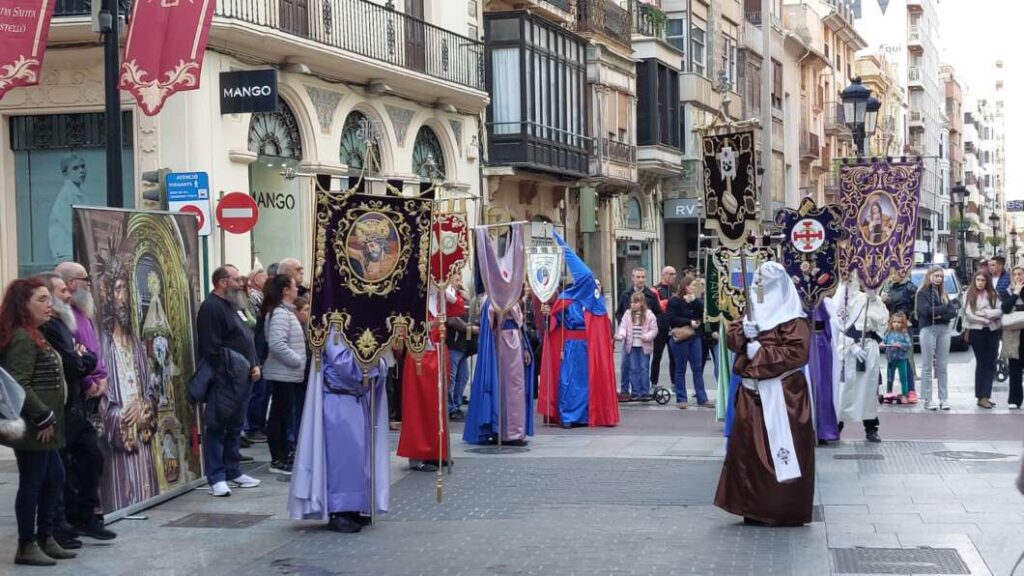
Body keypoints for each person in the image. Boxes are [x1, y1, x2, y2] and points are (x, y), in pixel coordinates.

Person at [714, 262, 814, 527]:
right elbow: (734, 337)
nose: (760, 293)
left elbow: (797, 354)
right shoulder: (752, 312)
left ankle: (780, 508)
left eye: (765, 287)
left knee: (778, 453)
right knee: (748, 452)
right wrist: (741, 336)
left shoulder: (793, 319)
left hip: (782, 396)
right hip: (751, 395)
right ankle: (752, 506)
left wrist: (759, 351)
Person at [0, 279, 77, 565]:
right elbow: (19, 382)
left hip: (47, 426)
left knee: (53, 477)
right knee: (33, 483)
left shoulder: (36, 333)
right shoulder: (22, 337)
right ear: (24, 304)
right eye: (42, 299)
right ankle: (26, 544)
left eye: (49, 298)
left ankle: (46, 536)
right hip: (35, 427)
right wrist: (42, 415)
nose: (50, 305)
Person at [36, 273, 115, 548]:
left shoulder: (70, 318)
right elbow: (74, 363)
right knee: (59, 471)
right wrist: (83, 360)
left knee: (92, 457)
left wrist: (86, 360)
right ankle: (57, 526)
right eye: (58, 293)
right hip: (59, 408)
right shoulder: (49, 327)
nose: (66, 297)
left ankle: (85, 516)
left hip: (77, 405)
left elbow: (86, 356)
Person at [289, 331, 388, 533]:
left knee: (357, 458)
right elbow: (344, 365)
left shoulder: (356, 326)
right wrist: (373, 362)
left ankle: (354, 507)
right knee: (342, 460)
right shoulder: (334, 329)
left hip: (356, 399)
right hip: (338, 398)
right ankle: (339, 511)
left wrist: (377, 361)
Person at [96, 254, 160, 510]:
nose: (124, 297)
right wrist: (122, 415)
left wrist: (146, 405)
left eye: (126, 289)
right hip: (122, 440)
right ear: (109, 296)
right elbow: (99, 395)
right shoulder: (104, 343)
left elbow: (151, 384)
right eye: (118, 289)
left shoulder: (135, 342)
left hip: (143, 436)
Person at [538, 232, 619, 428]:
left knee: (588, 382)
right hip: (570, 347)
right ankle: (569, 416)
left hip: (588, 348)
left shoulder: (595, 302)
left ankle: (585, 415)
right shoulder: (565, 298)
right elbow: (555, 324)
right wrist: (548, 314)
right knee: (569, 381)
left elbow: (603, 327)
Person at [194, 265, 262, 496]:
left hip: (244, 378)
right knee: (217, 426)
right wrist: (233, 369)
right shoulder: (211, 308)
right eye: (235, 279)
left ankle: (233, 470)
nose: (241, 283)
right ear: (222, 282)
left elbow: (246, 339)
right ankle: (216, 476)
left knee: (235, 427)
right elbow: (211, 348)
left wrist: (254, 366)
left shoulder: (234, 306)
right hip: (225, 379)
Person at [463, 289, 533, 446]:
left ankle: (515, 431)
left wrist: (526, 348)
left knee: (517, 387)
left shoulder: (513, 297)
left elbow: (520, 326)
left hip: (515, 343)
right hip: (501, 342)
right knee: (502, 387)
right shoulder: (491, 299)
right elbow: (489, 322)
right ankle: (501, 431)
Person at [396, 287, 450, 471]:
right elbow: (406, 329)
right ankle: (417, 456)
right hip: (419, 356)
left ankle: (435, 452)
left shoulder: (438, 299)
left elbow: (458, 306)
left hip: (436, 354)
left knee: (435, 406)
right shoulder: (412, 299)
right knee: (418, 406)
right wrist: (433, 325)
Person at [829, 275, 887, 441]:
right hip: (848, 350)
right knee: (845, 388)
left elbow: (882, 321)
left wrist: (874, 300)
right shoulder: (838, 302)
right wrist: (849, 345)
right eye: (848, 281)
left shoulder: (867, 299)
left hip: (868, 346)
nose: (851, 284)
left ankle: (871, 426)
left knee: (868, 389)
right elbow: (834, 328)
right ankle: (836, 425)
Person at [260, 274, 307, 475]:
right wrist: (297, 360)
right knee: (280, 416)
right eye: (294, 286)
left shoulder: (285, 312)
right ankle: (278, 458)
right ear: (285, 290)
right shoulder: (280, 313)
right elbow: (277, 344)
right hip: (283, 373)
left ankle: (285, 454)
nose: (297, 289)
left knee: (285, 414)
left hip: (288, 373)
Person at [614, 268, 661, 400]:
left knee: (644, 367)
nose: (641, 280)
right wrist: (623, 332)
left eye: (643, 277)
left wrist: (651, 332)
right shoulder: (625, 294)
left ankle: (643, 391)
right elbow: (619, 314)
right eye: (638, 277)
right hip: (630, 339)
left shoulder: (651, 295)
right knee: (627, 366)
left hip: (644, 341)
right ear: (633, 278)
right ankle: (627, 391)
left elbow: (658, 314)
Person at [916, 266, 958, 411]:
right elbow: (925, 311)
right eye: (936, 276)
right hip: (928, 329)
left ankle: (943, 398)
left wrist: (940, 314)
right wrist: (943, 310)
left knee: (942, 365)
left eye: (940, 276)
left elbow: (953, 311)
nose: (938, 278)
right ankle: (927, 399)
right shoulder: (922, 293)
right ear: (929, 276)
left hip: (944, 330)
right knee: (927, 365)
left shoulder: (943, 293)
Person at [666, 277, 711, 409]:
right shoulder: (674, 301)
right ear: (685, 286)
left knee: (697, 368)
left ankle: (702, 398)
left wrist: (695, 301)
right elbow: (671, 318)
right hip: (681, 337)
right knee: (680, 368)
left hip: (694, 336)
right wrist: (688, 322)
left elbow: (704, 313)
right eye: (692, 285)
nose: (694, 288)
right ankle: (681, 398)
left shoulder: (696, 301)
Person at [962, 272, 1003, 409]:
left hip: (992, 331)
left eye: (983, 280)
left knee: (991, 362)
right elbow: (969, 314)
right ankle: (981, 396)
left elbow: (1000, 310)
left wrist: (986, 313)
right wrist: (984, 319)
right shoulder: (969, 293)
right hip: (977, 331)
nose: (980, 282)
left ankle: (985, 395)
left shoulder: (993, 293)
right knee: (982, 362)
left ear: (987, 281)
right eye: (978, 280)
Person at [882, 272, 919, 403]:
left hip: (904, 325)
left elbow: (914, 302)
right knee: (892, 361)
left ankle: (911, 390)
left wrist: (909, 316)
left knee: (906, 359)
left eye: (894, 273)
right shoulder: (890, 287)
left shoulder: (909, 287)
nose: (891, 276)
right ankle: (890, 391)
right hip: (892, 324)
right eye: (890, 273)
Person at [445, 284, 478, 421]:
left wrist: (468, 299)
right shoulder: (448, 295)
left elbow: (471, 313)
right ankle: (450, 408)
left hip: (463, 345)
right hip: (454, 342)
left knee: (463, 376)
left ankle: (456, 406)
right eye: (455, 274)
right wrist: (470, 329)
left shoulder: (460, 294)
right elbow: (451, 319)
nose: (458, 278)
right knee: (451, 378)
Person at [48, 153, 87, 263]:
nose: (81, 171)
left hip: (73, 253)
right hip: (67, 254)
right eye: (75, 168)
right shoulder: (66, 196)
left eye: (83, 166)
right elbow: (72, 227)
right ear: (65, 173)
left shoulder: (78, 194)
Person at [1000, 266, 1024, 410]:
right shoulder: (1007, 291)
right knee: (1015, 368)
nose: (1017, 277)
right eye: (1014, 274)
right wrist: (1015, 293)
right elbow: (1005, 308)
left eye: (1020, 274)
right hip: (1013, 334)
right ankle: (1015, 399)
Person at [651, 267, 677, 390]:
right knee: (657, 356)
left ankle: (674, 383)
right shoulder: (655, 289)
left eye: (674, 274)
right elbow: (658, 307)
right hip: (660, 327)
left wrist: (667, 303)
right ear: (664, 275)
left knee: (674, 357)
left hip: (674, 327)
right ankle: (654, 382)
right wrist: (669, 303)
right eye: (670, 274)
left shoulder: (677, 289)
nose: (673, 276)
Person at [881, 312, 913, 404]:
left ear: (903, 324)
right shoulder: (888, 333)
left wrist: (901, 345)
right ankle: (889, 393)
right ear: (891, 323)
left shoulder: (904, 334)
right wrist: (882, 344)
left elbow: (909, 345)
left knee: (903, 378)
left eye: (899, 322)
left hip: (902, 359)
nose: (896, 324)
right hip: (891, 359)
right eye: (894, 322)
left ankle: (904, 395)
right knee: (890, 377)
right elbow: (884, 341)